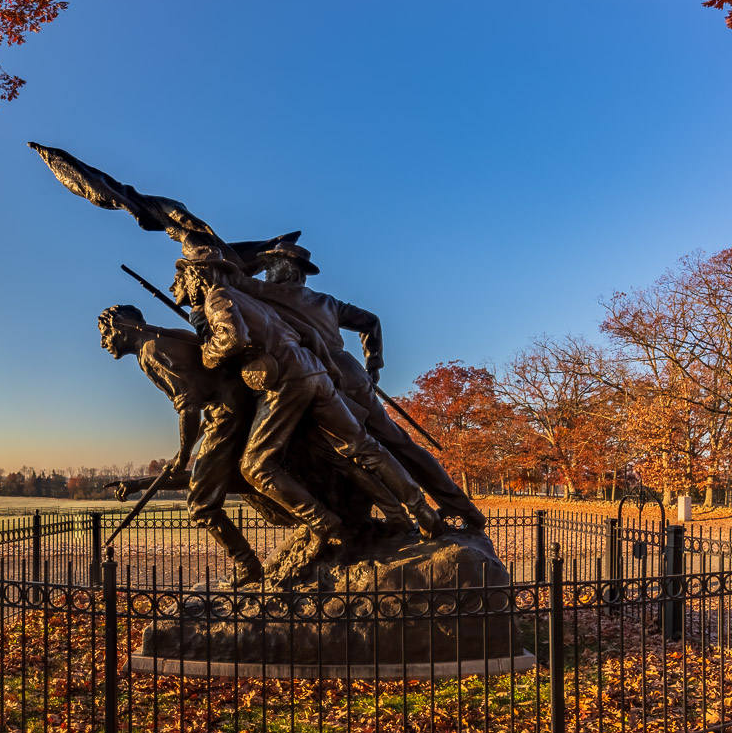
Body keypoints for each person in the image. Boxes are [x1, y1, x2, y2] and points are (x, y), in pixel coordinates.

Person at [171, 251, 446, 544]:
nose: (177, 285)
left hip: (286, 382)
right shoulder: (253, 300)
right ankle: (422, 511)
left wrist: (208, 354)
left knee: (255, 466)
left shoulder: (218, 298)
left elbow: (232, 338)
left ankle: (323, 522)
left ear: (195, 276)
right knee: (365, 447)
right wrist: (330, 375)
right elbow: (307, 335)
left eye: (182, 277)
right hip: (315, 374)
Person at [246, 238, 488, 531]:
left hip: (318, 374)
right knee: (399, 442)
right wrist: (373, 365)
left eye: (269, 265)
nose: (265, 272)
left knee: (352, 450)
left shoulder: (263, 292)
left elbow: (224, 277)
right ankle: (462, 508)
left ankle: (393, 515)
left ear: (286, 268)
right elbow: (371, 322)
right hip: (351, 371)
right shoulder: (326, 301)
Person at [97, 305, 267, 586]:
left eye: (105, 333)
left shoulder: (150, 352)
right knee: (214, 481)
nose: (103, 342)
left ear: (123, 327)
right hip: (228, 407)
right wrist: (142, 483)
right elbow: (198, 473)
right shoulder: (163, 338)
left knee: (201, 504)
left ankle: (247, 565)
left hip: (227, 412)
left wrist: (185, 453)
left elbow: (188, 405)